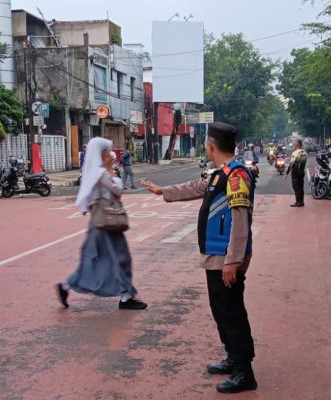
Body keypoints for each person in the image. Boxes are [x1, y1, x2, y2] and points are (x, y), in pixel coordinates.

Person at [140, 122, 257, 394]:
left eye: (206, 142)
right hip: (215, 255)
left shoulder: (237, 175)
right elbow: (197, 186)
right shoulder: (221, 174)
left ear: (211, 145)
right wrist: (163, 192)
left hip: (225, 258)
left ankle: (244, 371)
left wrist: (233, 260)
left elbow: (240, 222)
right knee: (221, 310)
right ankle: (233, 357)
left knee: (231, 313)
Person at [57, 138, 147, 311]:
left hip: (101, 223)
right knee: (119, 259)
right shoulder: (101, 173)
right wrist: (110, 169)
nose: (111, 154)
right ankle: (125, 298)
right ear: (102, 153)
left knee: (99, 260)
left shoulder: (93, 172)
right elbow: (118, 190)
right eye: (107, 151)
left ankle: (68, 286)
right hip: (106, 224)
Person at [285, 139, 308, 207]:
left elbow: (292, 164)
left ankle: (298, 202)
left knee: (296, 186)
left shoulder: (295, 153)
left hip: (295, 171)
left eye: (295, 144)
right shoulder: (305, 152)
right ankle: (302, 201)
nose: (294, 145)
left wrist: (287, 173)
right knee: (301, 186)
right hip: (302, 171)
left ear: (297, 145)